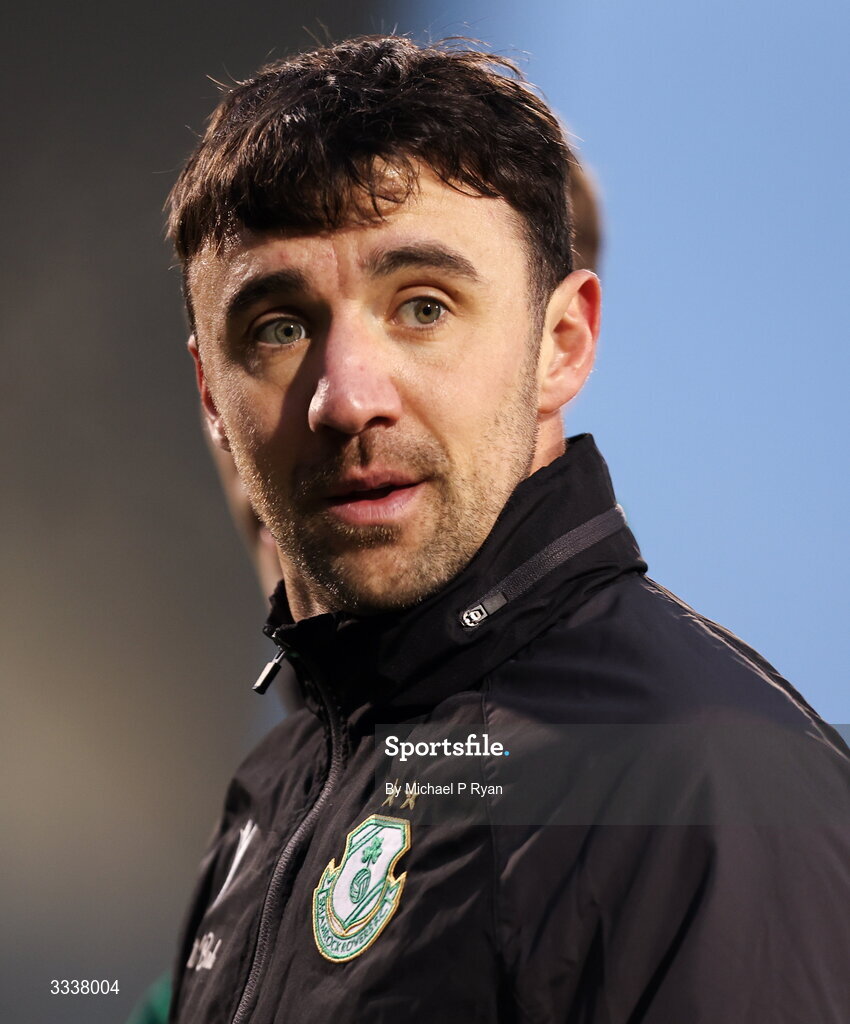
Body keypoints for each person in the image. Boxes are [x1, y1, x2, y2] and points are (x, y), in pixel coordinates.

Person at [163, 35, 850, 1023]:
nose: (346, 398)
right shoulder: (280, 782)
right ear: (211, 396)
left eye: (424, 307)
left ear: (561, 344)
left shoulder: (702, 784)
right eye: (277, 326)